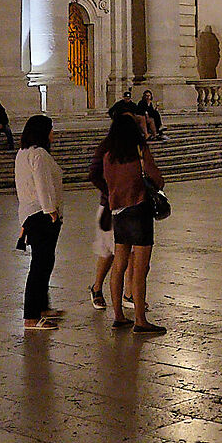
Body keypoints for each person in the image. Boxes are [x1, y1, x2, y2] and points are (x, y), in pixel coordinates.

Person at [91, 111, 166, 334]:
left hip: (118, 212)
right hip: (139, 210)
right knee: (140, 268)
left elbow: (104, 181)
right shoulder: (138, 150)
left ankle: (118, 316)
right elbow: (156, 178)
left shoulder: (108, 156)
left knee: (119, 264)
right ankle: (140, 320)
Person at [14, 114, 65, 330]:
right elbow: (42, 185)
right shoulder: (39, 155)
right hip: (41, 215)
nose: (53, 133)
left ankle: (42, 307)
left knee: (44, 262)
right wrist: (51, 212)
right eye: (51, 129)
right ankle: (31, 317)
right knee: (39, 266)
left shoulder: (23, 153)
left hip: (28, 213)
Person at [85, 120, 123, 315]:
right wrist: (110, 192)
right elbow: (94, 174)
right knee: (108, 251)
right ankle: (97, 288)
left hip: (130, 207)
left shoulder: (136, 147)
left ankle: (129, 295)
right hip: (109, 207)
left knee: (131, 254)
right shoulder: (107, 148)